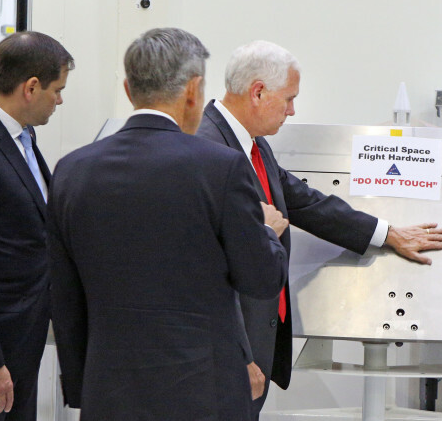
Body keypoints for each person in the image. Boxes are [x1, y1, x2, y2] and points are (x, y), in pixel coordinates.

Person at [195, 40, 442, 418]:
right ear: (258, 92)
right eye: (288, 99)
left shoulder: (253, 145)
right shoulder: (207, 148)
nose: (292, 110)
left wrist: (386, 233)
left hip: (257, 339)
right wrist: (239, 355)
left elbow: (303, 201)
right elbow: (206, 270)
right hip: (228, 352)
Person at [47, 28, 289, 421]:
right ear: (193, 91)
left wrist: (81, 386)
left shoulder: (72, 171)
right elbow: (260, 279)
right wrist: (266, 232)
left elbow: (65, 295)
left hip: (109, 393)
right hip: (204, 394)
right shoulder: (221, 168)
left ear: (128, 89)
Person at [0, 31, 73, 420]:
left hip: (23, 340)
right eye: (57, 90)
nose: (60, 100)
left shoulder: (22, 137)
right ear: (31, 87)